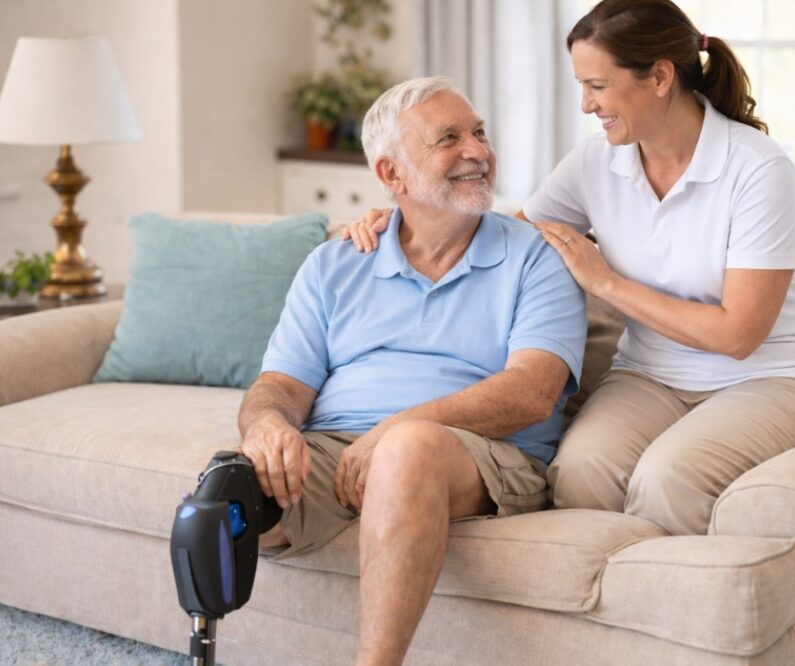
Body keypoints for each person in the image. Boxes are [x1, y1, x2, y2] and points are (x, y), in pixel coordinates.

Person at [343, 0, 795, 537]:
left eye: (598, 86)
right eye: (582, 85)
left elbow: (739, 335)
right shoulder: (594, 162)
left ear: (659, 77)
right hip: (651, 377)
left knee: (668, 480)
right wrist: (406, 213)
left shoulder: (756, 167)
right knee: (578, 476)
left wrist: (604, 279)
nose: (586, 105)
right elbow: (505, 234)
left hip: (774, 378)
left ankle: (679, 615)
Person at [239, 76, 586, 666]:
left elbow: (534, 392)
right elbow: (280, 386)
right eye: (448, 139)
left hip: (477, 453)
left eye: (478, 132)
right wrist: (265, 426)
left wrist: (394, 431)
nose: (476, 150)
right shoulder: (335, 263)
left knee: (408, 451)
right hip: (338, 446)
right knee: (229, 488)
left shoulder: (534, 256)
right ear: (391, 176)